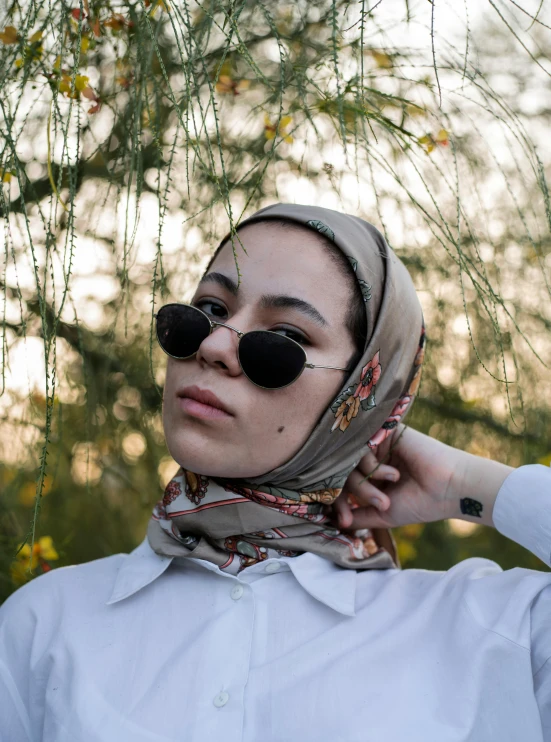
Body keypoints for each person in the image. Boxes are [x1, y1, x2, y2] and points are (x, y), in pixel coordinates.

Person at [1, 203, 550, 742]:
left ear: (362, 391)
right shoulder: (44, 626)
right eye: (209, 309)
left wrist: (474, 487)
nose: (214, 345)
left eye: (284, 337)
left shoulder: (494, 634)